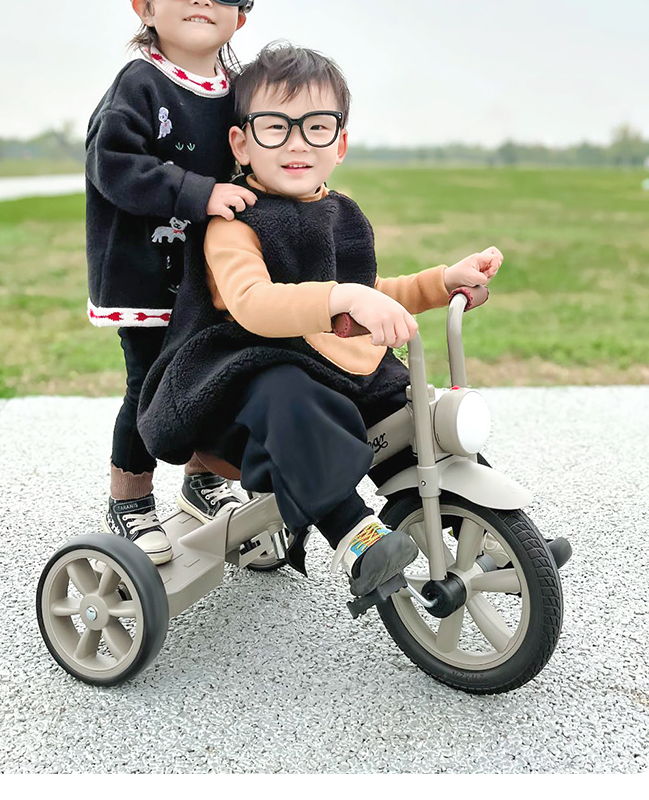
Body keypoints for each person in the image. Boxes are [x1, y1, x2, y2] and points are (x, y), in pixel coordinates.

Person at [137, 42, 503, 596]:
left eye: (316, 127)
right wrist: (341, 298)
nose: (297, 143)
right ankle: (354, 536)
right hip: (243, 394)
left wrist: (440, 283)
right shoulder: (234, 222)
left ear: (340, 143)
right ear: (241, 143)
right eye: (275, 127)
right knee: (290, 392)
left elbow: (365, 292)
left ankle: (486, 528)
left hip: (332, 374)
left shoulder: (340, 213)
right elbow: (254, 302)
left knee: (410, 405)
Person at [85, 1, 259, 565]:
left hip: (214, 276)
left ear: (241, 17)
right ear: (146, 6)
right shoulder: (140, 84)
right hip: (145, 274)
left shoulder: (240, 93)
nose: (204, 1)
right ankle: (129, 498)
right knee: (149, 385)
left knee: (213, 378)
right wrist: (198, 193)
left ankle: (203, 478)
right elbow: (112, 162)